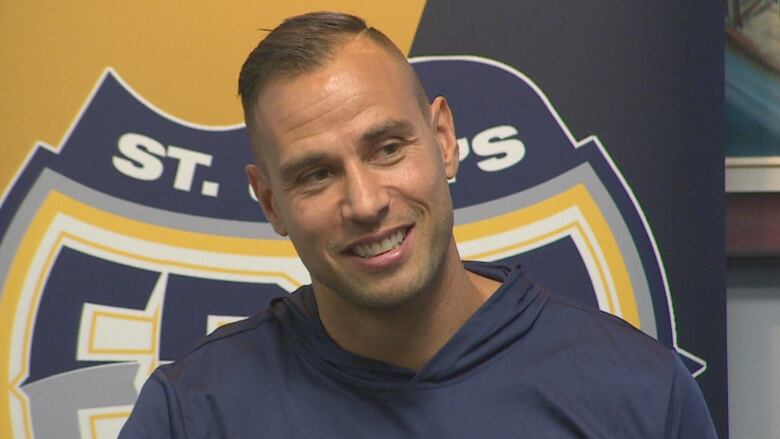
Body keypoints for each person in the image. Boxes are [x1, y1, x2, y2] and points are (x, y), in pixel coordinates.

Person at [120, 11, 717, 438]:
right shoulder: (192, 414)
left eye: (386, 149)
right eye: (316, 175)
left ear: (444, 139)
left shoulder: (636, 393)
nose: (364, 201)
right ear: (270, 202)